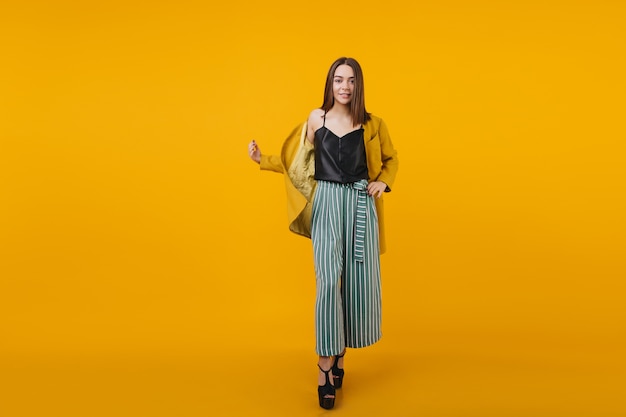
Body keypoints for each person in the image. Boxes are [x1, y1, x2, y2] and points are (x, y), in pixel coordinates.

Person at [247, 57, 399, 409]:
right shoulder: (317, 119)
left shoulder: (373, 124)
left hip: (360, 204)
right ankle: (324, 367)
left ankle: (342, 354)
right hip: (328, 202)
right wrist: (262, 160)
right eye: (338, 80)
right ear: (330, 84)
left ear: (358, 86)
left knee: (356, 284)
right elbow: (296, 161)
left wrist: (381, 183)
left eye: (350, 81)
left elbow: (392, 160)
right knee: (329, 281)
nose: (344, 87)